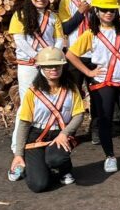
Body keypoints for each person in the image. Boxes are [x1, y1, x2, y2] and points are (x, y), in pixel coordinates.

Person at [66, 0, 120, 172]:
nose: (108, 13)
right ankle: (110, 156)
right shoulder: (91, 33)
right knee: (105, 120)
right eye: (104, 10)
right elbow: (70, 54)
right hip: (102, 83)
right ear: (97, 11)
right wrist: (89, 72)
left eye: (112, 10)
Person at [9, 48, 83, 192]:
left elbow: (79, 114)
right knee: (39, 185)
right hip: (36, 136)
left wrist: (65, 133)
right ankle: (30, 168)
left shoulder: (71, 88)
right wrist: (18, 154)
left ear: (63, 66)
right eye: (48, 66)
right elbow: (24, 123)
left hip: (60, 134)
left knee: (55, 159)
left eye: (57, 65)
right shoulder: (33, 91)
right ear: (41, 68)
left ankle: (64, 170)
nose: (53, 69)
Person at [7, 0, 64, 159]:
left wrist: (54, 54)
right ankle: (18, 146)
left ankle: (45, 139)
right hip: (29, 65)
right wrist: (37, 56)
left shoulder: (53, 17)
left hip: (49, 65)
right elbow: (19, 40)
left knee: (49, 102)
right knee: (26, 104)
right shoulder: (20, 15)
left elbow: (60, 39)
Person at [59, 0, 98, 142]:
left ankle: (96, 128)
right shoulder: (66, 1)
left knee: (97, 93)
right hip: (75, 54)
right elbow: (64, 28)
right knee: (73, 93)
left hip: (96, 53)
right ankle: (70, 130)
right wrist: (80, 13)